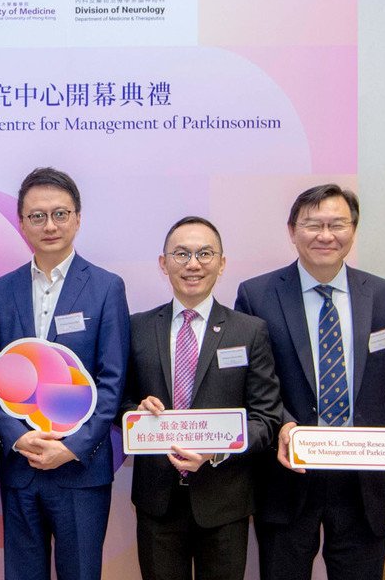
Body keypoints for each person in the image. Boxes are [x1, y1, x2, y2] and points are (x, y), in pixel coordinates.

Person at [232, 183, 385, 580]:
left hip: (364, 479)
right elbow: (253, 383)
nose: (326, 235)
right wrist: (285, 424)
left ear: (353, 229)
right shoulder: (257, 294)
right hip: (289, 471)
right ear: (292, 230)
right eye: (313, 224)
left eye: (337, 224)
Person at [0, 167, 130, 580]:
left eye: (60, 214)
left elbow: (112, 381)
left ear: (78, 218)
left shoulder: (106, 287)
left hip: (81, 469)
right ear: (22, 223)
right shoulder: (0, 290)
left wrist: (72, 446)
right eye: (37, 216)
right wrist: (18, 437)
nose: (50, 225)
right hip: (21, 466)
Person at [121, 216, 282, 580]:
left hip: (224, 502)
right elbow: (120, 401)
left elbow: (266, 419)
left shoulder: (249, 330)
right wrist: (136, 414)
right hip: (157, 502)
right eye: (181, 254)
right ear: (164, 263)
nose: (193, 264)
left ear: (222, 263)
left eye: (204, 254)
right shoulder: (137, 327)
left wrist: (217, 448)